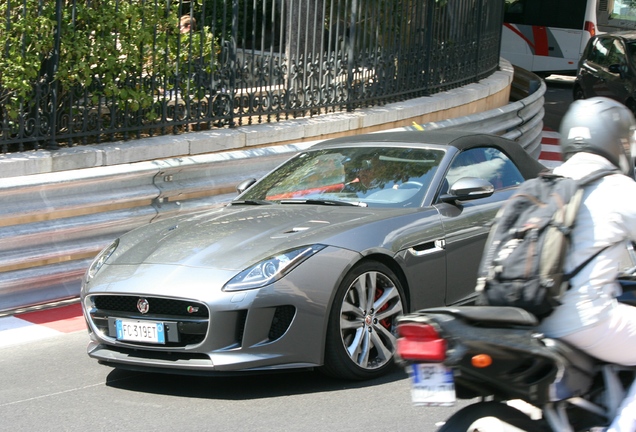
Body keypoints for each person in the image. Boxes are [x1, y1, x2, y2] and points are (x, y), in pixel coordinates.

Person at [537, 97, 636, 432]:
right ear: (617, 140)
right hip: (585, 318)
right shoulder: (618, 187)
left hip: (529, 316)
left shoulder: (545, 180)